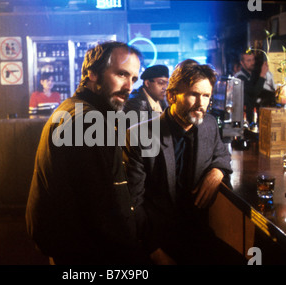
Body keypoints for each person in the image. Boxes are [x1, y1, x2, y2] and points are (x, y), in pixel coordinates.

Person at [25, 41, 144, 265]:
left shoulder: (74, 108)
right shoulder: (88, 121)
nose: (129, 86)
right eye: (121, 74)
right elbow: (102, 208)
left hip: (68, 244)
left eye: (134, 78)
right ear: (93, 74)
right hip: (84, 251)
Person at [124, 59, 245, 265]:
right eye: (193, 94)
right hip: (157, 239)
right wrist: (155, 252)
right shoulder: (139, 135)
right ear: (171, 96)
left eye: (206, 96)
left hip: (198, 235)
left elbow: (222, 155)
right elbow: (133, 204)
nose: (201, 104)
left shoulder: (208, 124)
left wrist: (217, 171)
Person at [235, 52, 268, 126]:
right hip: (242, 118)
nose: (252, 63)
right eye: (249, 61)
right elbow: (254, 92)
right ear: (242, 63)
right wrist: (262, 74)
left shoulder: (252, 75)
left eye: (253, 60)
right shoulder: (240, 77)